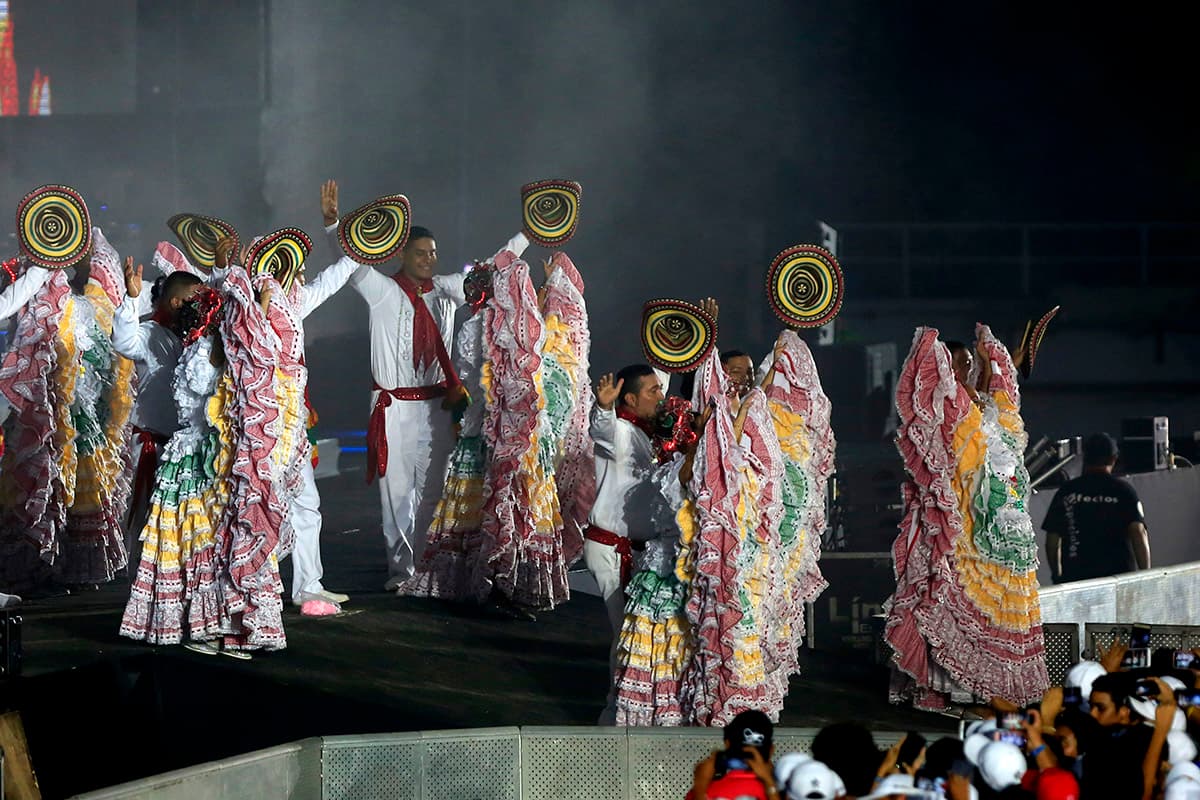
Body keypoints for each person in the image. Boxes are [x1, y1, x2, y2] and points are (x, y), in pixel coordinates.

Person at [321, 180, 529, 589]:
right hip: (393, 406)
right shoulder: (381, 289)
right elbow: (350, 261)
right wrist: (333, 225)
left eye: (433, 253)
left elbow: (492, 269)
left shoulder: (449, 291)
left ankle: (430, 568)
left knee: (434, 491)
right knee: (396, 495)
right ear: (402, 254)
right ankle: (402, 572)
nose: (429, 259)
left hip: (437, 406)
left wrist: (526, 233)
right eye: (421, 253)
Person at [885, 324, 1047, 711]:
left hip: (1008, 536)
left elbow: (999, 391)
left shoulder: (992, 412)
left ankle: (997, 691)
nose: (965, 368)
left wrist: (1004, 358)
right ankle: (956, 690)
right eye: (958, 363)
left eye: (969, 363)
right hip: (968, 535)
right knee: (959, 605)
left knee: (1004, 611)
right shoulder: (950, 414)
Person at [0, 225, 137, 591]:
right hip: (46, 412)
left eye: (85, 255)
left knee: (84, 488)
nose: (80, 260)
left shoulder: (98, 302)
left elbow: (115, 352)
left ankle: (75, 567)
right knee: (42, 481)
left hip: (86, 412)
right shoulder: (44, 294)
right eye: (73, 254)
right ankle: (37, 564)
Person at [113, 261, 203, 575]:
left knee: (181, 523)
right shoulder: (149, 332)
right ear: (176, 301)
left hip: (186, 449)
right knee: (147, 521)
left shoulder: (195, 339)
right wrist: (129, 297)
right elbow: (123, 341)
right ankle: (142, 594)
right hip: (152, 444)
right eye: (195, 298)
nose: (200, 304)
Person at [1041, 432, 1150, 584]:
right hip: (1119, 579)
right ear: (1113, 458)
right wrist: (1146, 577)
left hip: (1077, 579)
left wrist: (1057, 575)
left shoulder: (1067, 492)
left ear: (1085, 457)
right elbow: (1138, 532)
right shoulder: (1124, 491)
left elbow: (1052, 541)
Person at [687, 710, 781, 800]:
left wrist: (700, 786)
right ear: (771, 750)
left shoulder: (703, 791)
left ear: (727, 744)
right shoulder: (785, 792)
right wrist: (770, 783)